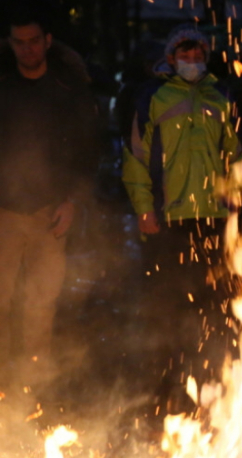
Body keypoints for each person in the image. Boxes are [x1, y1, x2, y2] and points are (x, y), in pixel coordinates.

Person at [122, 25, 242, 402]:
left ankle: (208, 386)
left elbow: (233, 153)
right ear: (171, 58)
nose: (192, 62)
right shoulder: (153, 97)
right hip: (167, 220)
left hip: (213, 219)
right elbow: (135, 160)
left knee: (212, 307)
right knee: (166, 306)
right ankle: (164, 388)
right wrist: (144, 210)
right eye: (184, 56)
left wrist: (236, 199)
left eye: (198, 56)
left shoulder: (220, 95)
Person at [0, 10, 97, 385]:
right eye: (19, 42)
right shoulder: (4, 88)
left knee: (41, 302)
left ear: (47, 41)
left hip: (50, 212)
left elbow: (87, 151)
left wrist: (73, 200)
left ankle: (32, 383)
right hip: (5, 212)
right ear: (11, 44)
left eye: (33, 41)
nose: (27, 49)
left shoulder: (67, 90)